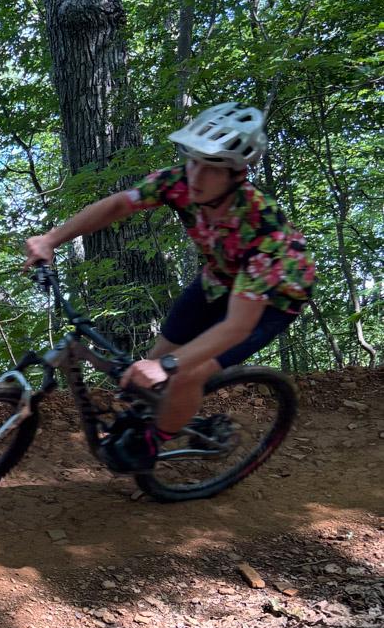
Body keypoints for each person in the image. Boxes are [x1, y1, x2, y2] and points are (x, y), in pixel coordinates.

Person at [24, 102, 315, 470]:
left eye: (212, 167)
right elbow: (119, 205)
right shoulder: (179, 182)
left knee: (184, 371)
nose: (197, 175)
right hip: (220, 277)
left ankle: (152, 442)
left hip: (274, 299)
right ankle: (159, 412)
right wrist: (52, 239)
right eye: (193, 160)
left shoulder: (263, 227)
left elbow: (237, 326)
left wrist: (169, 367)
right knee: (158, 356)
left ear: (237, 174)